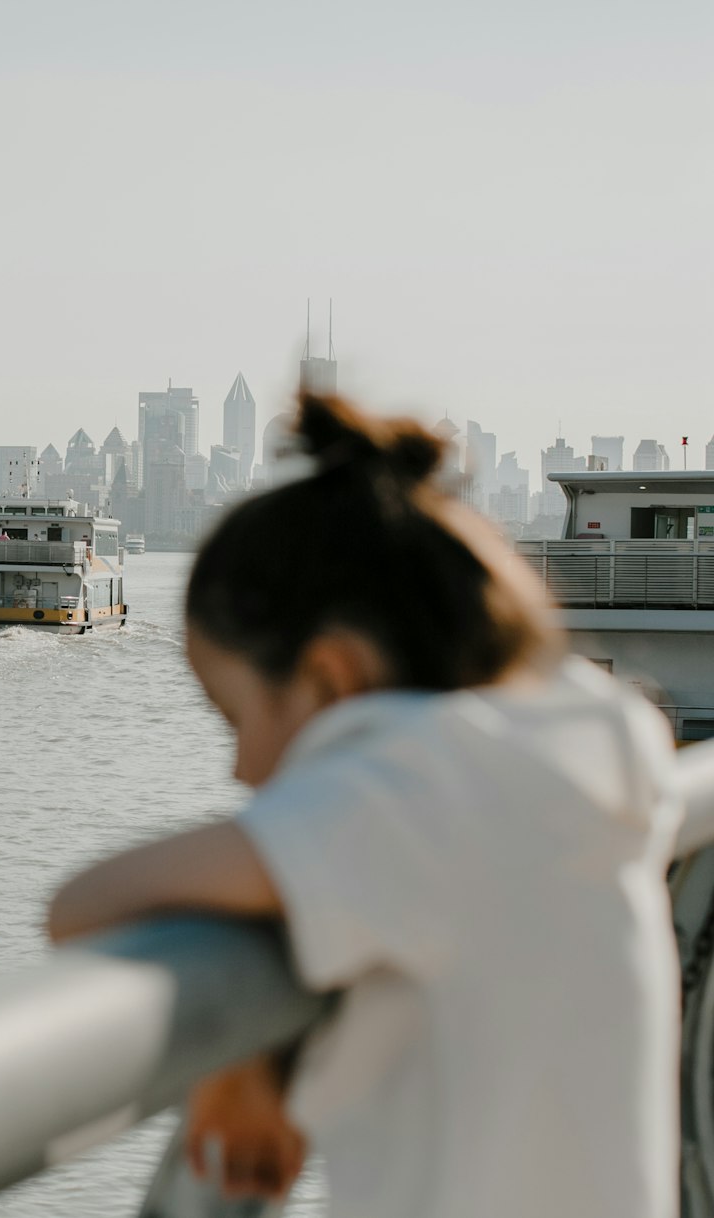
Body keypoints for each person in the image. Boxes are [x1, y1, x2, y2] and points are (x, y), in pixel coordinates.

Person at [47, 393, 682, 1218]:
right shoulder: (597, 733)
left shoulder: (408, 795)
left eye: (238, 717)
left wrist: (235, 1059)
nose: (239, 766)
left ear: (331, 676)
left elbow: (83, 905)